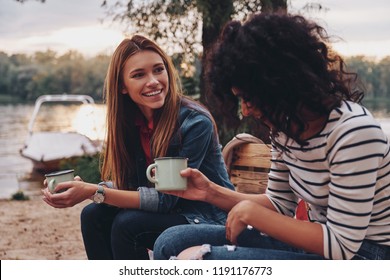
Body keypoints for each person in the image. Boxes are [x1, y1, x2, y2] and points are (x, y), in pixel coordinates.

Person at [153, 13, 390, 260]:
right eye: (240, 100)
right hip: (317, 243)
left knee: (202, 261)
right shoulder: (286, 129)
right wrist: (210, 192)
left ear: (282, 84)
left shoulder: (354, 133)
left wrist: (252, 214)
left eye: (249, 98)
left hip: (367, 254)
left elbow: (341, 246)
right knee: (171, 241)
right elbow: (279, 204)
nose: (244, 110)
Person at [42, 35, 234, 260]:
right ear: (123, 86)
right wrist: (85, 188)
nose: (153, 81)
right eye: (139, 75)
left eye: (158, 70)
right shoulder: (131, 123)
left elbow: (165, 200)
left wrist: (95, 191)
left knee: (129, 225)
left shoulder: (194, 122)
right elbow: (133, 186)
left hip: (208, 219)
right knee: (93, 214)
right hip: (173, 213)